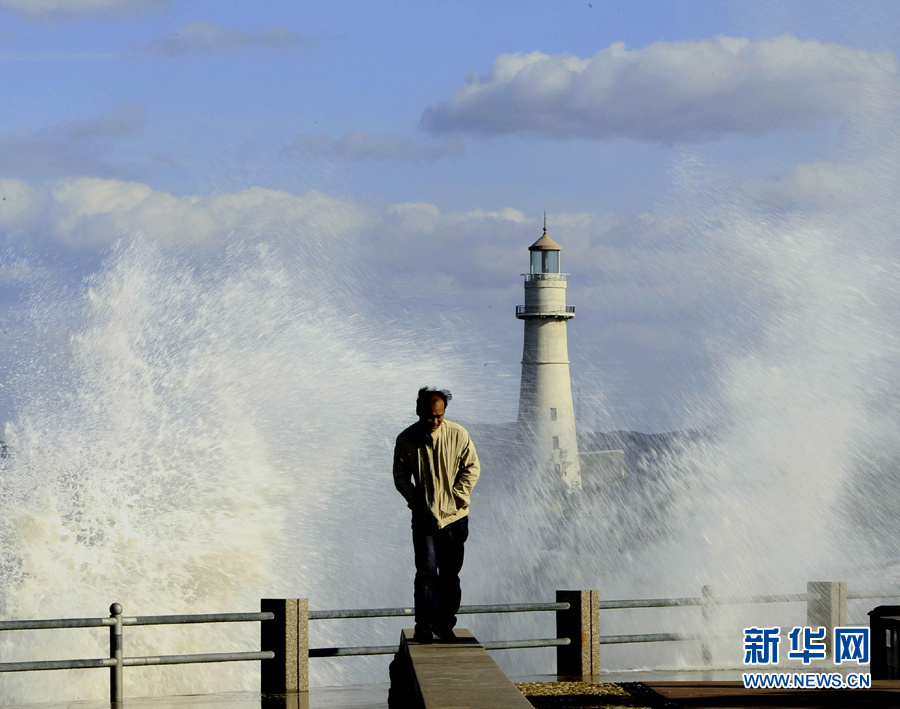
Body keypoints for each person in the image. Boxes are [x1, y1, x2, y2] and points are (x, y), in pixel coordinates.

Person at [393, 387, 480, 643]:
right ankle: (423, 626)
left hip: (455, 519)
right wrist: (416, 503)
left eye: (439, 416)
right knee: (426, 575)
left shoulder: (458, 434)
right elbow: (400, 477)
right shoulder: (406, 439)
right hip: (424, 520)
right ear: (419, 412)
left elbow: (472, 467)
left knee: (450, 576)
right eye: (430, 416)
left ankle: (445, 625)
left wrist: (458, 497)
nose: (435, 421)